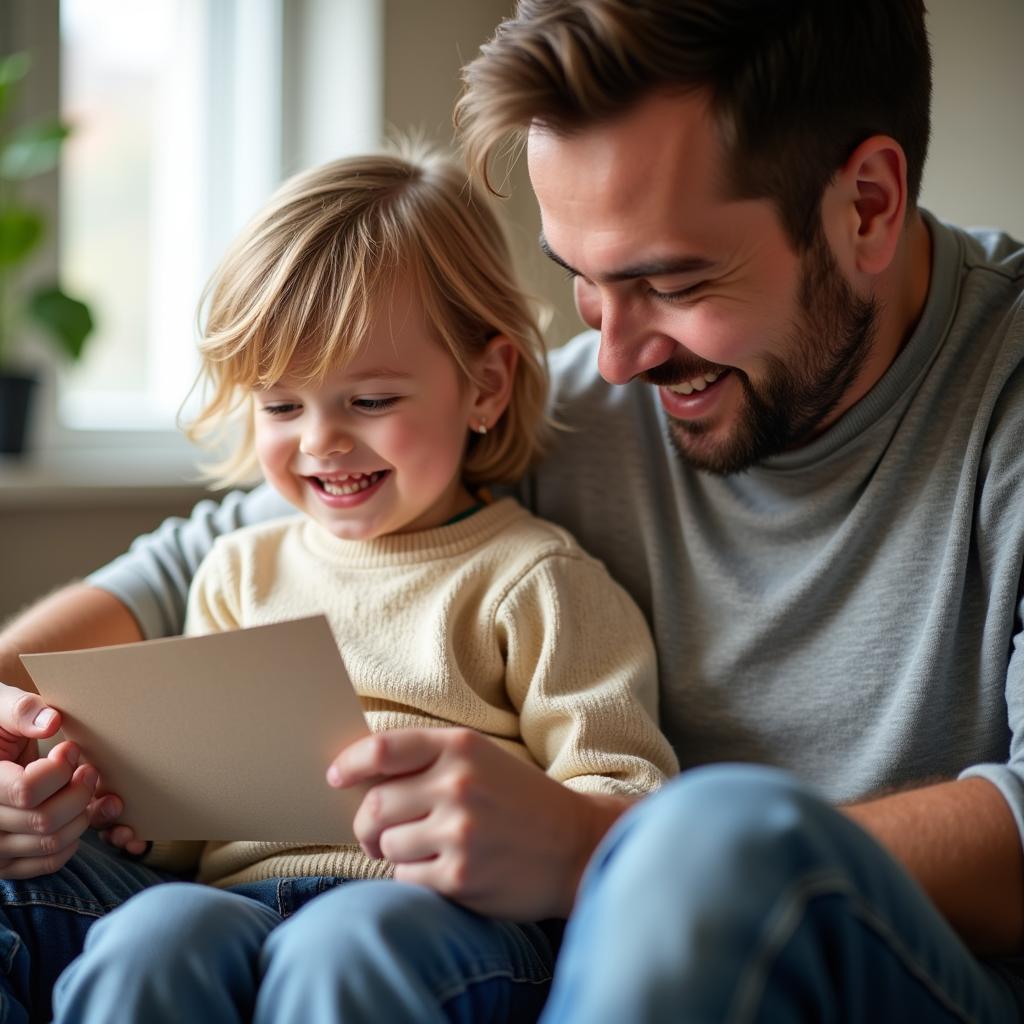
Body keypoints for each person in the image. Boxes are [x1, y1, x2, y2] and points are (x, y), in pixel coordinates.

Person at [2, 0, 1024, 1019]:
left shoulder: (1002, 396)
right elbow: (212, 560)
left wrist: (597, 849)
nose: (615, 360)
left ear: (869, 204)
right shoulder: (588, 400)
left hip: (893, 972)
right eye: (580, 280)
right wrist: (15, 731)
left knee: (707, 842)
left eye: (670, 280)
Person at [7, 147, 679, 1024]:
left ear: (485, 384)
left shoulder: (535, 582)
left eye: (368, 402)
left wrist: (548, 822)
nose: (320, 442)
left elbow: (629, 799)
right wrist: (122, 808)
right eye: (283, 406)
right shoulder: (238, 570)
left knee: (342, 946)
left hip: (445, 916)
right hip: (238, 900)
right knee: (152, 936)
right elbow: (191, 821)